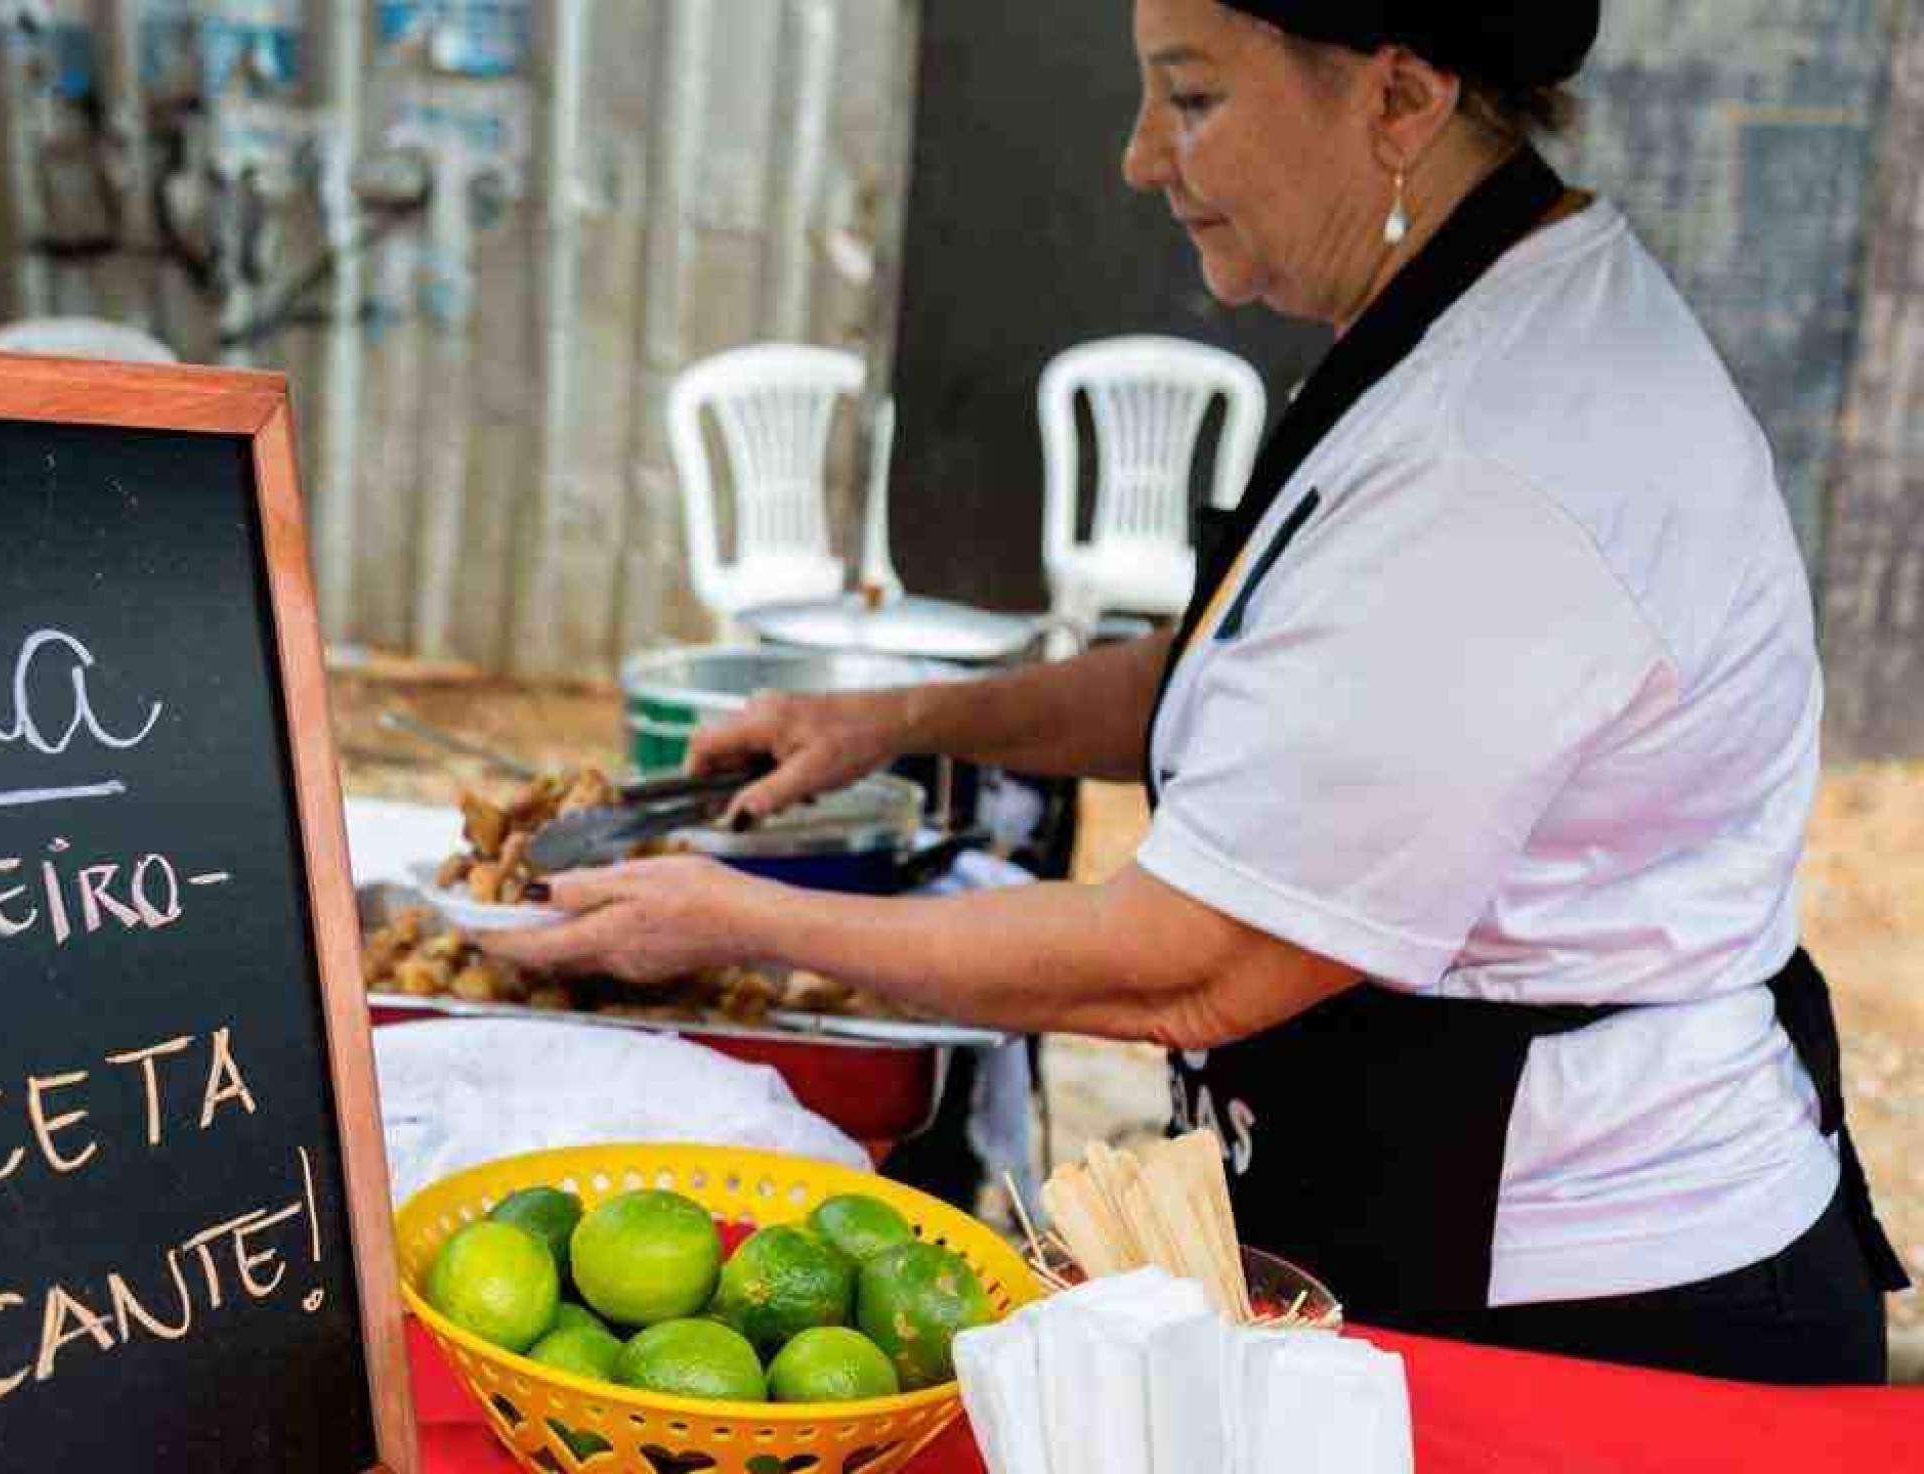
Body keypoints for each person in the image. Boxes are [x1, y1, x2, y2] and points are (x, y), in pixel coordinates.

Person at [490, 0, 1911, 1385]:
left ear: (1398, 97)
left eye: (1191, 95)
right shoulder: (1460, 311)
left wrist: (736, 916)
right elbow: (1233, 683)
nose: (1137, 156)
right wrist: (894, 723)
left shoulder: (1501, 456)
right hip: (1426, 1207)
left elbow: (1192, 959)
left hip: (1591, 1311)